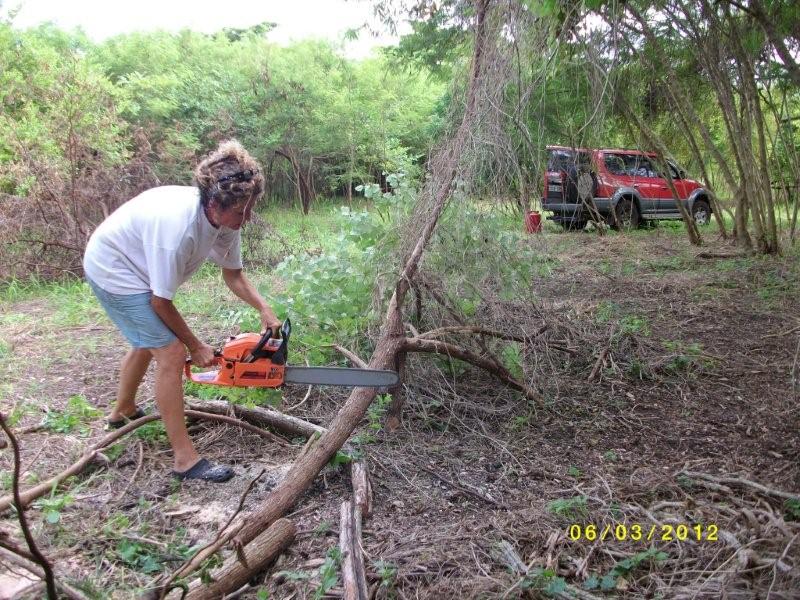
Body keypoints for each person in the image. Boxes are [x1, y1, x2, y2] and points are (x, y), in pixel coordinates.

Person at [83, 140, 281, 483]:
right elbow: (161, 303)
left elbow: (232, 275)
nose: (246, 219)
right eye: (240, 212)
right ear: (215, 204)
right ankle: (185, 460)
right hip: (113, 269)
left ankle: (122, 411)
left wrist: (264, 308)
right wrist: (195, 345)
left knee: (149, 340)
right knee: (171, 352)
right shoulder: (179, 230)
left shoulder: (225, 221)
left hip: (137, 266)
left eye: (249, 210)